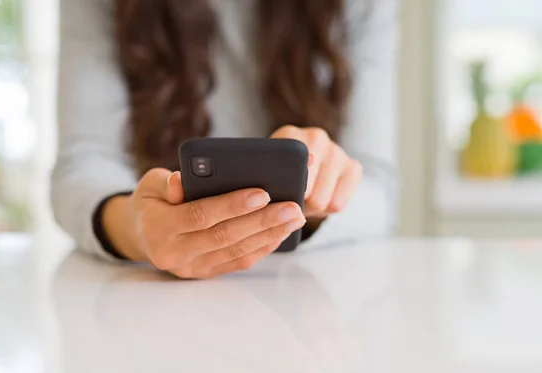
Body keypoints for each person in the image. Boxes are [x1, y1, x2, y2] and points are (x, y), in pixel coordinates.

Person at [52, 0, 399, 279]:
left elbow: (378, 186)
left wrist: (320, 192)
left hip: (304, 289)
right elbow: (83, 163)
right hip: (158, 297)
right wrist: (135, 228)